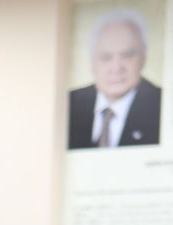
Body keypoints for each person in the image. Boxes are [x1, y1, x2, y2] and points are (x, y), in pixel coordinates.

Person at [67, 9, 161, 150]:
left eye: (127, 55)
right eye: (106, 57)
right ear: (92, 62)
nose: (116, 67)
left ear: (143, 58)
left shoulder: (161, 104)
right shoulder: (70, 103)